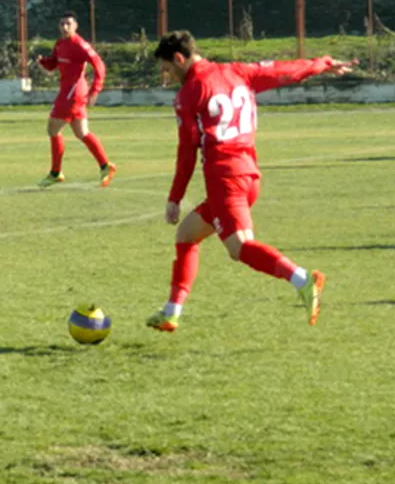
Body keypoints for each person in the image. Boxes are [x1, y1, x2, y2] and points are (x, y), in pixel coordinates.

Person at [146, 30, 357, 332]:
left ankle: (302, 279)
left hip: (225, 180)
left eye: (167, 69)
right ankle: (171, 311)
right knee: (186, 235)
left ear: (179, 59)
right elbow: (285, 70)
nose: (166, 76)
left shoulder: (190, 92)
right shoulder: (237, 71)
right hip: (249, 175)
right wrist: (322, 62)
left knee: (240, 248)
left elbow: (187, 153)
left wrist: (175, 197)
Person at [35, 11, 115, 187]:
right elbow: (55, 63)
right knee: (82, 133)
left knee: (53, 128)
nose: (64, 27)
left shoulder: (80, 44)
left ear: (75, 26)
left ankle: (56, 172)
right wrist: (44, 62)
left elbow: (99, 65)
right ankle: (105, 165)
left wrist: (96, 89)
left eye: (68, 24)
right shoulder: (60, 43)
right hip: (69, 92)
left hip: (73, 93)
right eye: (62, 24)